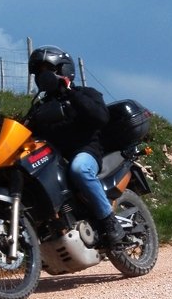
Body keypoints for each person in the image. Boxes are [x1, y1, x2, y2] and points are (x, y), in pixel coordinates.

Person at [27, 45, 125, 247]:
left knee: (79, 169)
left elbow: (100, 117)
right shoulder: (40, 108)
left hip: (86, 151)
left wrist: (70, 92)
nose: (44, 76)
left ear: (63, 70)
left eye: (49, 70)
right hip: (56, 159)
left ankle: (109, 221)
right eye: (40, 72)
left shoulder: (85, 93)